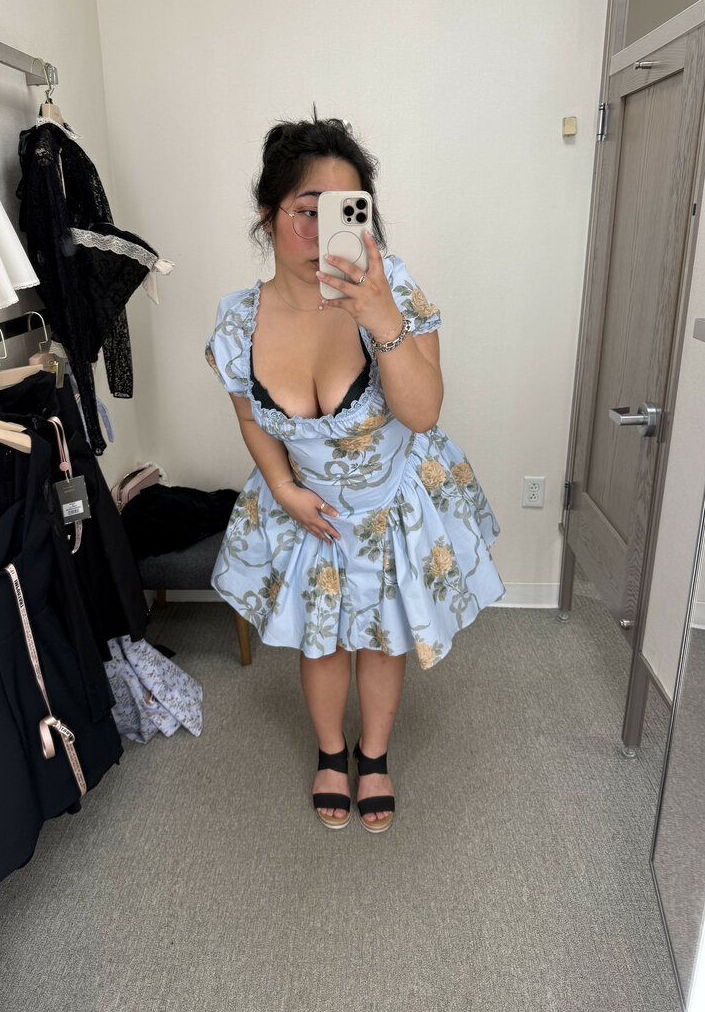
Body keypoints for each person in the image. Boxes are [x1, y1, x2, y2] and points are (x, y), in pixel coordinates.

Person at [206, 115, 505, 833]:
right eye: (306, 211)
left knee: (379, 636)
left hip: (392, 499)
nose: (321, 233)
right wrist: (283, 488)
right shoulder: (239, 321)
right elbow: (250, 414)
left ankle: (374, 757)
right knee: (323, 639)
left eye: (344, 212)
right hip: (308, 507)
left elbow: (422, 412)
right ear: (267, 214)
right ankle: (330, 753)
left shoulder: (391, 288)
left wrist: (380, 317)